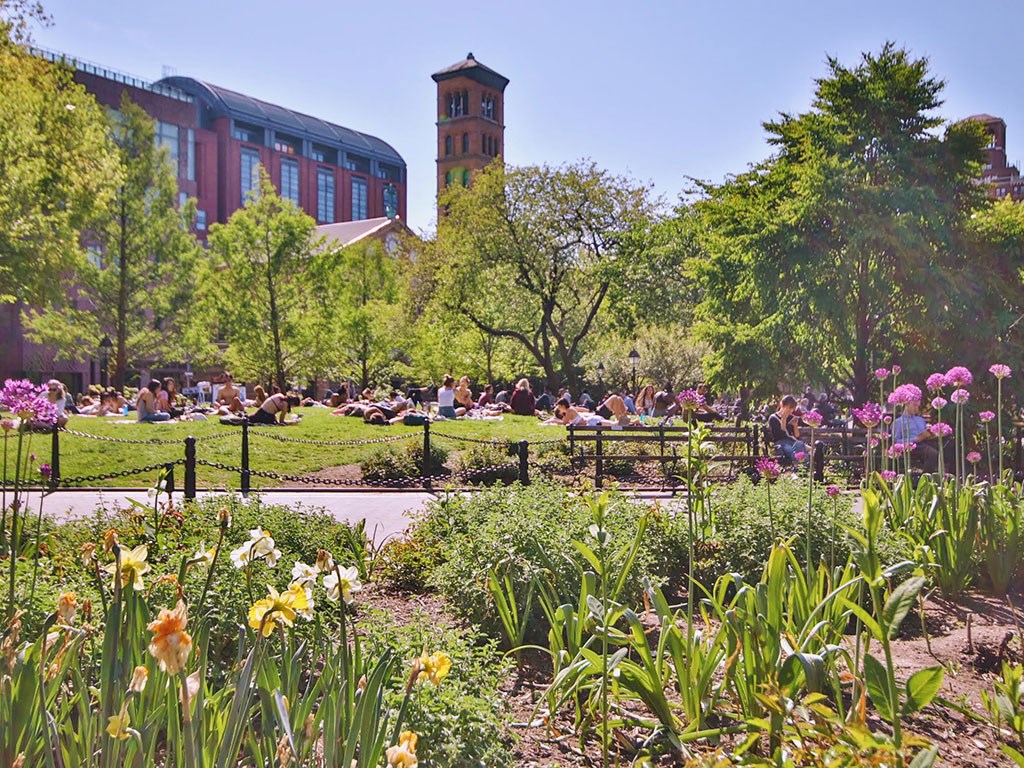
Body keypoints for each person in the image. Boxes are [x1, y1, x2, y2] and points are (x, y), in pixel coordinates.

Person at [891, 396, 946, 473]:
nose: (917, 408)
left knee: (946, 447)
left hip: (925, 444)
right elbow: (896, 441)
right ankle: (925, 478)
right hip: (910, 447)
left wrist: (932, 434)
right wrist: (915, 439)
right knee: (932, 453)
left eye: (918, 406)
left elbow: (925, 434)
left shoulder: (920, 420)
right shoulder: (898, 422)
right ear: (907, 404)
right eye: (914, 405)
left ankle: (944, 476)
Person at [767, 395, 806, 465]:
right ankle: (798, 468)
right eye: (790, 407)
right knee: (797, 453)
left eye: (792, 408)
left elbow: (797, 436)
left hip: (792, 441)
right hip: (781, 443)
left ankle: (797, 467)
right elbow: (780, 435)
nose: (791, 410)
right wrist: (783, 419)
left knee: (799, 444)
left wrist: (795, 426)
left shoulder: (791, 417)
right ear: (782, 405)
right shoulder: (773, 418)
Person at [543, 401, 616, 427]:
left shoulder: (569, 410)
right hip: (591, 421)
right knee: (613, 424)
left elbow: (564, 423)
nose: (559, 409)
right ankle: (624, 423)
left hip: (591, 421)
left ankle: (624, 423)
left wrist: (552, 421)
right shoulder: (571, 409)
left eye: (559, 407)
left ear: (563, 406)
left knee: (614, 424)